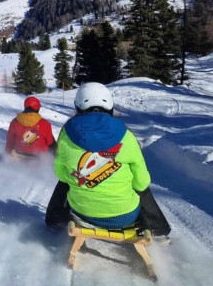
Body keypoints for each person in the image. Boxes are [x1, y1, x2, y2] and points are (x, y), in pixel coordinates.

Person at [45, 82, 170, 236]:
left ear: (78, 106)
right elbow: (142, 181)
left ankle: (55, 222)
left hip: (82, 212)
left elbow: (60, 171)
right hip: (125, 216)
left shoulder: (67, 133)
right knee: (141, 186)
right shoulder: (126, 134)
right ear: (110, 106)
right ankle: (158, 230)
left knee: (66, 181)